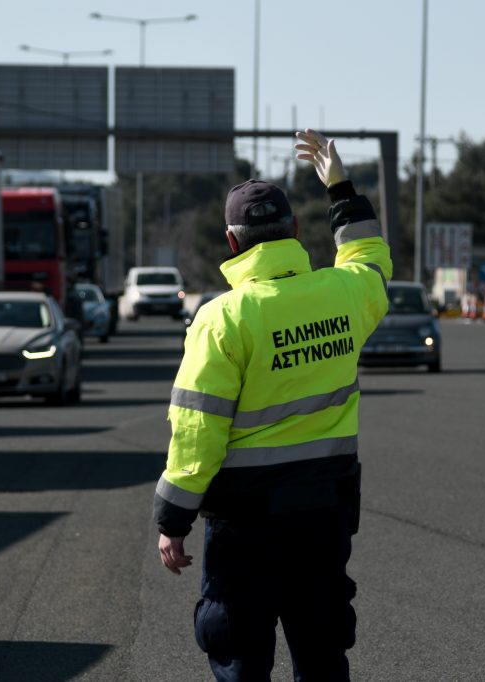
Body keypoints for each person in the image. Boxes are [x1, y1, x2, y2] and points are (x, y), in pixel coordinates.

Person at [153, 129, 392, 681]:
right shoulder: (342, 294)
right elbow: (370, 260)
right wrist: (340, 189)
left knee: (240, 656)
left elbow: (197, 433)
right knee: (322, 655)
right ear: (295, 229)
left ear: (232, 242)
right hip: (325, 512)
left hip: (245, 524)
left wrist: (173, 519)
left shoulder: (222, 319)